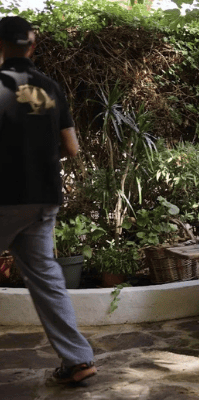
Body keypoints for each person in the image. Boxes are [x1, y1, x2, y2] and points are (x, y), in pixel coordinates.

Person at [0, 16, 97, 384]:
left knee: (46, 277)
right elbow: (72, 147)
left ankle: (77, 359)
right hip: (43, 199)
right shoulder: (51, 87)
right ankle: (77, 360)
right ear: (33, 45)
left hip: (5, 198)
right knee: (47, 279)